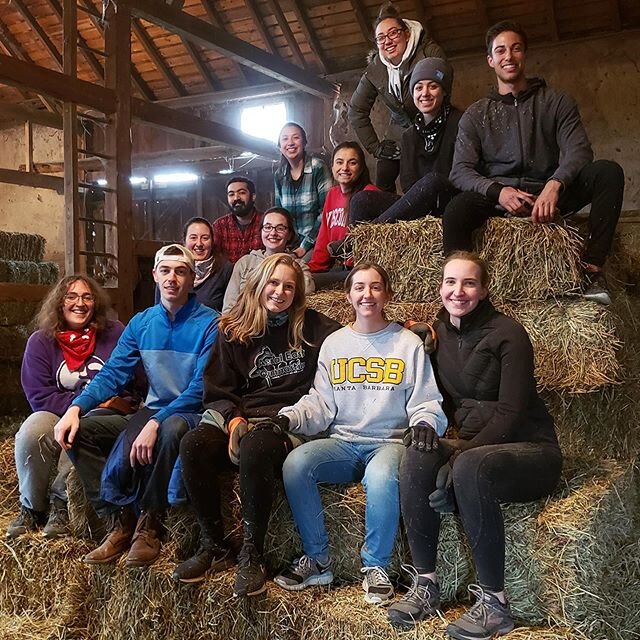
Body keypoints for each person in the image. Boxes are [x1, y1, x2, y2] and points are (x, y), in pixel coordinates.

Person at [386, 252, 562, 639]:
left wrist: (460, 457)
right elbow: (400, 333)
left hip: (528, 449)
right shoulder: (439, 333)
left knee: (469, 468)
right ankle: (426, 583)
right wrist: (413, 329)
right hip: (473, 446)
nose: (458, 291)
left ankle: (495, 605)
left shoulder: (509, 334)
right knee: (416, 452)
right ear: (440, 287)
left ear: (483, 290)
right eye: (450, 282)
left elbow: (511, 414)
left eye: (468, 283)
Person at [274, 263, 446, 605]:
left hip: (390, 442)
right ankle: (318, 558)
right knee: (296, 463)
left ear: (387, 295)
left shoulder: (407, 343)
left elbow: (426, 400)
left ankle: (375, 567)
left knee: (382, 475)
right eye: (359, 288)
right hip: (343, 442)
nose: (367, 295)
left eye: (375, 287)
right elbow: (321, 404)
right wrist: (287, 419)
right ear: (349, 295)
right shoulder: (335, 344)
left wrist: (426, 423)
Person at [172, 253, 340, 592]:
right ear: (260, 284)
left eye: (289, 287)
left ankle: (253, 553)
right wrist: (233, 421)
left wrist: (403, 329)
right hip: (242, 416)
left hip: (287, 422)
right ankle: (214, 545)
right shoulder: (232, 329)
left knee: (257, 447)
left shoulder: (314, 327)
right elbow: (218, 388)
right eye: (274, 283)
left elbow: (360, 337)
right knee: (194, 444)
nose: (279, 292)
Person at [53, 244, 218, 568]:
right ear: (155, 275)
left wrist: (154, 422)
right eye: (166, 271)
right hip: (151, 410)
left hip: (191, 410)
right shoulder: (142, 323)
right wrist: (76, 408)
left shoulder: (210, 323)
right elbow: (113, 374)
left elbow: (201, 387)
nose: (172, 278)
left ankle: (150, 523)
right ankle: (120, 521)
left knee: (170, 431)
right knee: (80, 431)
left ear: (193, 279)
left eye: (181, 271)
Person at [444, 20, 624, 305]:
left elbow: (579, 150)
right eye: (500, 50)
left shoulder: (556, 102)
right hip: (500, 200)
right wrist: (498, 191)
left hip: (548, 196)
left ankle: (591, 271)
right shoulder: (477, 114)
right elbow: (460, 170)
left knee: (607, 172)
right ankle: (459, 286)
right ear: (490, 60)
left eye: (516, 49)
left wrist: (555, 184)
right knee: (456, 209)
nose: (509, 56)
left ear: (524, 54)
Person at [7, 275, 135, 540]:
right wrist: (75, 406)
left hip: (104, 412)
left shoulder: (115, 333)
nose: (80, 303)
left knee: (78, 430)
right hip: (55, 409)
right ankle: (31, 507)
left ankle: (61, 505)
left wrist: (84, 410)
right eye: (71, 297)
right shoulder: (41, 341)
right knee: (31, 433)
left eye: (87, 297)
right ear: (59, 303)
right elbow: (38, 395)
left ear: (96, 303)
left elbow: (130, 379)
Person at [350, 57, 462, 225]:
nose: (425, 93)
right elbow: (408, 183)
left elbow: (461, 174)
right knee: (361, 200)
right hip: (420, 204)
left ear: (444, 91)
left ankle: (364, 235)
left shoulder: (461, 122)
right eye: (418, 88)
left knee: (433, 181)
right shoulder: (409, 135)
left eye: (433, 86)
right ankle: (359, 248)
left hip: (451, 200)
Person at [348, 2, 446, 192]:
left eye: (393, 33)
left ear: (407, 33)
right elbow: (356, 110)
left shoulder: (429, 52)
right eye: (381, 38)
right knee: (384, 173)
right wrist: (375, 148)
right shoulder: (376, 68)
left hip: (433, 123)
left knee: (422, 179)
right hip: (400, 126)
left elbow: (442, 89)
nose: (388, 41)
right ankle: (389, 219)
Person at [222, 208, 315, 312]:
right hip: (245, 325)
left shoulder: (298, 266)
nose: (273, 232)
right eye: (267, 227)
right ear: (261, 231)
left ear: (289, 234)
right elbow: (229, 306)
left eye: (280, 228)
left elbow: (307, 292)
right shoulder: (245, 262)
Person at [307, 141, 379, 275]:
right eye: (339, 162)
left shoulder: (370, 194)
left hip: (361, 270)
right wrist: (313, 268)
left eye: (352, 163)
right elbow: (324, 236)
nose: (345, 168)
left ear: (361, 168)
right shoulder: (332, 194)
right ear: (332, 166)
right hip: (339, 267)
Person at [274, 122, 333, 260]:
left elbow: (326, 212)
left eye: (296, 137)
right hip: (289, 244)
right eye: (285, 139)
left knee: (299, 271)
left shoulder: (318, 167)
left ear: (304, 142)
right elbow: (279, 214)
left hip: (315, 242)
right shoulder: (279, 175)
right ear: (279, 147)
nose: (290, 143)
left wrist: (303, 247)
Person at [155, 217, 233, 312]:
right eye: (193, 238)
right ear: (184, 241)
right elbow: (159, 310)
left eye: (205, 238)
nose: (199, 243)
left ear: (212, 242)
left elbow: (230, 311)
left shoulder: (225, 270)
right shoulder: (169, 269)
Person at [212, 176, 264, 264]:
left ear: (253, 196)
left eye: (242, 193)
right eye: (231, 194)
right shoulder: (219, 226)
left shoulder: (266, 222)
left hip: (260, 276)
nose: (236, 198)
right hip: (228, 277)